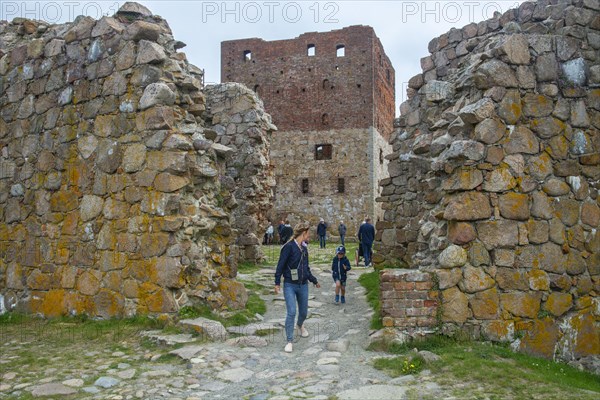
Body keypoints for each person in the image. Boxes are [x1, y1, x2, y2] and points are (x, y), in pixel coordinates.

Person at [274, 223, 320, 353]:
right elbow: (280, 266)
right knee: (292, 312)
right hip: (289, 284)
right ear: (303, 233)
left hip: (303, 285)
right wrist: (277, 282)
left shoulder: (304, 249)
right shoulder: (288, 247)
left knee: (304, 312)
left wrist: (314, 280)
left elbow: (306, 268)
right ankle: (289, 341)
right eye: (308, 233)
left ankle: (300, 325)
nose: (309, 236)